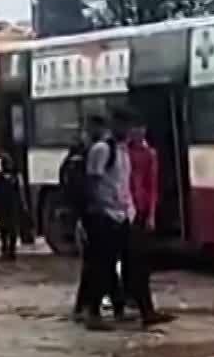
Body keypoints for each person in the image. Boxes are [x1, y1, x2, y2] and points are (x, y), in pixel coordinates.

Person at [72, 113, 130, 331]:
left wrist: (127, 212)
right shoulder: (102, 150)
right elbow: (93, 183)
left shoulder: (123, 151)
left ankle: (115, 307)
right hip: (103, 216)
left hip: (120, 215)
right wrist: (96, 213)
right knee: (100, 266)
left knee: (107, 265)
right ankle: (92, 311)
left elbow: (123, 185)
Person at [117, 110, 173, 328]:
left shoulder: (149, 154)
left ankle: (141, 307)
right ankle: (131, 306)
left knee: (139, 263)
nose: (138, 132)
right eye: (134, 129)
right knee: (126, 263)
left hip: (138, 212)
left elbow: (152, 186)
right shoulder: (121, 152)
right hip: (122, 212)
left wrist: (150, 215)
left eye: (141, 129)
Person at [0, 153, 27, 262]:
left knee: (9, 230)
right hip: (5, 206)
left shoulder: (11, 177)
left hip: (9, 206)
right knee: (5, 229)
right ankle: (7, 250)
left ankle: (9, 251)